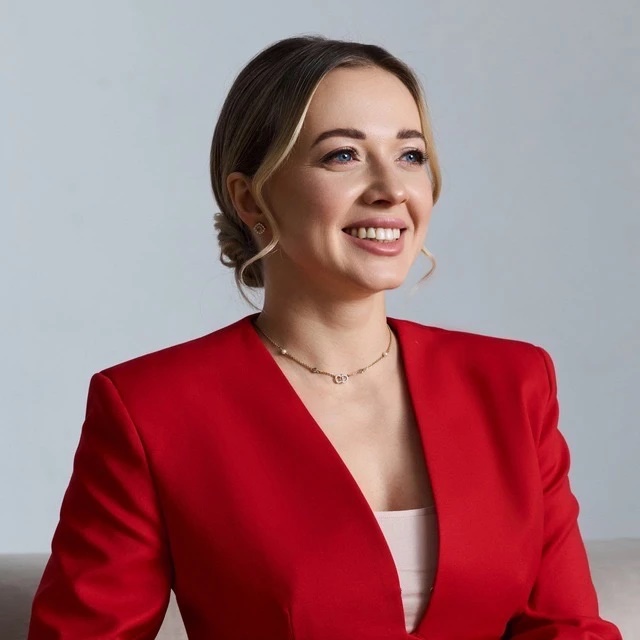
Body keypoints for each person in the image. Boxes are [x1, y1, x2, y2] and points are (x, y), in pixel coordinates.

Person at [28, 35, 622, 639]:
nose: (392, 188)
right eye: (343, 155)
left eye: (410, 155)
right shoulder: (151, 409)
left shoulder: (513, 382)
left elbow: (567, 626)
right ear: (250, 198)